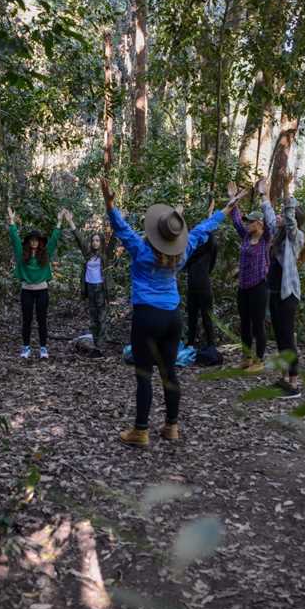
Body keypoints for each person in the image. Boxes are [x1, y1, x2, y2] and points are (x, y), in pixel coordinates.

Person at [102, 178, 236, 447]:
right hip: (172, 318)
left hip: (147, 317)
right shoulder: (183, 253)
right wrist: (226, 209)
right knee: (169, 374)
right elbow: (201, 230)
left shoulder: (140, 250)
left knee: (144, 374)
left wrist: (109, 203)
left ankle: (141, 431)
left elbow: (121, 228)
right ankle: (171, 427)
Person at [264, 177, 305, 398]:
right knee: (280, 336)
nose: (279, 218)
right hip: (275, 292)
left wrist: (289, 197)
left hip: (288, 294)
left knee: (288, 337)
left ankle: (294, 383)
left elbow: (289, 222)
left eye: (285, 216)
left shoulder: (296, 236)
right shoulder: (278, 236)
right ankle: (283, 378)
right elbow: (271, 218)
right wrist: (264, 195)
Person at [228, 178, 275, 372]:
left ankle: (260, 359)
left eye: (250, 221)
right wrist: (233, 198)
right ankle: (246, 357)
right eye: (247, 222)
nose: (246, 224)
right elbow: (236, 218)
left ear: (259, 223)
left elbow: (271, 222)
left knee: (257, 324)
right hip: (243, 287)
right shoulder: (246, 236)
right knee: (244, 323)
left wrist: (265, 196)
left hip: (259, 287)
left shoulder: (266, 238)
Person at [7, 206, 65, 359]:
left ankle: (43, 348)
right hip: (26, 290)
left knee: (42, 320)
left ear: (40, 242)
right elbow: (14, 239)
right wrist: (11, 221)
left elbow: (53, 240)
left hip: (42, 291)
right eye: (32, 240)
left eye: (37, 240)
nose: (34, 242)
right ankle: (26, 348)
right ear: (29, 242)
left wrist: (59, 222)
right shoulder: (22, 254)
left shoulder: (45, 253)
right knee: (26, 320)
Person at [64, 208, 114, 357]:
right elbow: (79, 239)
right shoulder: (88, 254)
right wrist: (70, 221)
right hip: (90, 288)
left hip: (100, 288)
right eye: (93, 240)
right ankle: (95, 346)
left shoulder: (105, 255)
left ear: (101, 242)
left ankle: (102, 346)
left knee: (102, 317)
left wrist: (118, 222)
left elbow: (114, 241)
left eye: (98, 240)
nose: (95, 242)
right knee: (93, 318)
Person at [183, 198, 219, 350]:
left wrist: (210, 216)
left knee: (207, 317)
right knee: (192, 317)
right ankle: (191, 343)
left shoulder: (208, 248)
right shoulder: (190, 252)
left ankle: (211, 345)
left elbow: (209, 236)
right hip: (192, 287)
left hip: (204, 286)